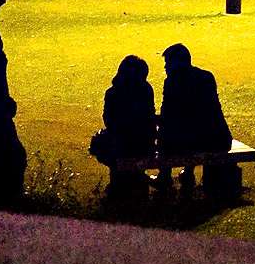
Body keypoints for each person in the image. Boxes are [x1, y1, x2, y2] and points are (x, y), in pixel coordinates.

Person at [159, 43, 239, 203]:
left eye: (168, 63)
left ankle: (165, 176)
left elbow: (169, 115)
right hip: (219, 138)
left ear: (177, 63)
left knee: (167, 135)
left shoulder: (172, 82)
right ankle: (187, 172)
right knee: (190, 130)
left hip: (196, 141)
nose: (165, 67)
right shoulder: (206, 77)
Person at [99, 55, 156, 205]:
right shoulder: (145, 89)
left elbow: (109, 120)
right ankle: (136, 182)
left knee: (105, 144)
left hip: (123, 146)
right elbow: (149, 117)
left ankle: (120, 188)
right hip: (144, 144)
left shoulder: (113, 93)